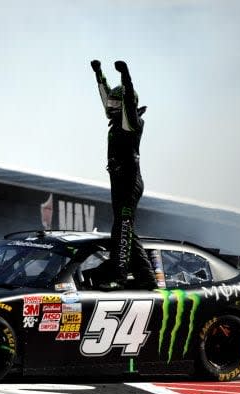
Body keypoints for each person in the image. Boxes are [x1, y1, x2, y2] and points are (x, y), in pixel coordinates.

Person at [90, 59, 157, 290]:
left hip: (129, 184)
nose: (110, 104)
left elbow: (127, 100)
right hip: (118, 183)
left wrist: (125, 75)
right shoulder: (115, 122)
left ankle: (118, 277)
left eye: (115, 102)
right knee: (123, 227)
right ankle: (147, 277)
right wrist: (99, 74)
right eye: (111, 101)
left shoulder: (132, 123)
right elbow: (105, 95)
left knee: (122, 229)